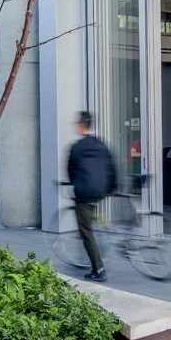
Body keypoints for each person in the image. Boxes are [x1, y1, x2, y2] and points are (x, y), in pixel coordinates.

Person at [66, 111, 118, 282]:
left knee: (86, 231)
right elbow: (111, 166)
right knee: (91, 211)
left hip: (85, 193)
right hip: (101, 190)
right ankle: (100, 221)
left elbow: (70, 171)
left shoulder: (76, 147)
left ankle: (99, 268)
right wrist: (112, 188)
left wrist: (74, 185)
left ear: (81, 125)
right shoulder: (101, 144)